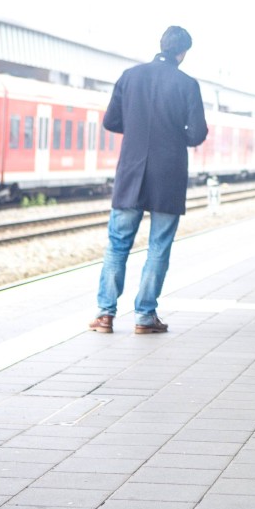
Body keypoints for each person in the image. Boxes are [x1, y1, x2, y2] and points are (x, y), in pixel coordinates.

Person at [89, 26, 208, 335]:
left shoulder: (130, 76)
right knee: (158, 247)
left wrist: (139, 127)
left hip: (131, 173)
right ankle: (144, 316)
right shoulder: (187, 84)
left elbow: (111, 121)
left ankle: (104, 315)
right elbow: (196, 134)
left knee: (117, 245)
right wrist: (172, 131)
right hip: (168, 175)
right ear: (182, 53)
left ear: (162, 46)